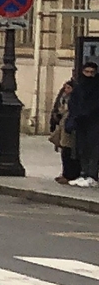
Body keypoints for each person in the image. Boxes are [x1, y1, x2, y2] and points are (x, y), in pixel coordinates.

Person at [66, 60, 99, 189]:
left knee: (93, 150)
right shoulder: (79, 87)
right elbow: (73, 103)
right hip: (81, 123)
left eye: (92, 72)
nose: (89, 75)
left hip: (94, 122)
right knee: (81, 149)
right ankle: (83, 173)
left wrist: (86, 113)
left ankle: (92, 175)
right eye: (87, 72)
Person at [50, 78, 80, 186]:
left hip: (70, 128)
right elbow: (57, 109)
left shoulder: (74, 99)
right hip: (63, 126)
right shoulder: (62, 98)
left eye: (69, 88)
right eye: (65, 87)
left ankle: (69, 174)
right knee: (64, 152)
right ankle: (65, 173)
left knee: (69, 152)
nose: (66, 90)